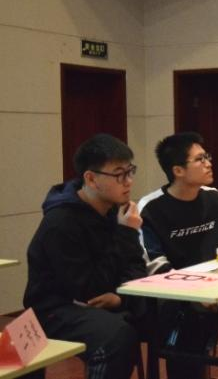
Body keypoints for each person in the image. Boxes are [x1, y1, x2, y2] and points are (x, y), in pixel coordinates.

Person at [138, 132, 218, 379]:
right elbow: (154, 264)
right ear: (178, 170)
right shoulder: (150, 208)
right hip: (175, 297)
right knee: (189, 348)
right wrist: (195, 293)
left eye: (207, 157)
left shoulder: (215, 197)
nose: (209, 163)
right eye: (200, 159)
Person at [23, 133, 147, 379]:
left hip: (109, 299)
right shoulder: (60, 223)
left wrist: (120, 298)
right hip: (55, 309)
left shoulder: (116, 212)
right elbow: (88, 289)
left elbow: (136, 267)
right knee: (115, 336)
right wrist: (125, 234)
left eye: (130, 171)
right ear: (90, 178)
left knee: (172, 311)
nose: (129, 181)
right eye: (119, 174)